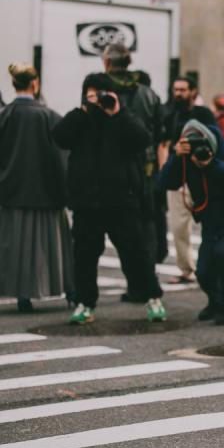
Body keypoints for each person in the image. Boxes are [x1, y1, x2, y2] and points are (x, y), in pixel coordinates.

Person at [53, 73, 166, 324]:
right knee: (84, 255)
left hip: (121, 201)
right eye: (91, 94)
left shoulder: (122, 118)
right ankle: (85, 304)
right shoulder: (79, 120)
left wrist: (117, 112)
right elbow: (59, 137)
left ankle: (153, 298)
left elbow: (142, 139)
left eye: (101, 94)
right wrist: (82, 111)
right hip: (86, 202)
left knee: (135, 253)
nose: (97, 100)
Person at [160, 120, 224, 325]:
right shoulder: (186, 158)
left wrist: (212, 164)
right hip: (213, 222)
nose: (199, 150)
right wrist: (175, 156)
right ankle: (217, 303)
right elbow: (165, 182)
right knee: (204, 270)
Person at [0, 63, 74, 313]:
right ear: (35, 84)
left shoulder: (4, 116)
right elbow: (62, 157)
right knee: (53, 247)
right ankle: (70, 291)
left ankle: (22, 295)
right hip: (47, 193)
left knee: (15, 246)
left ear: (14, 85)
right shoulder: (50, 117)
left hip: (11, 193)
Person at [102, 43, 168, 287]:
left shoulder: (102, 91)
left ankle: (136, 282)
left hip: (113, 169)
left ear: (107, 63)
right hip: (146, 168)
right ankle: (147, 276)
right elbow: (161, 131)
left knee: (117, 225)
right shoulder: (148, 93)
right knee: (147, 223)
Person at [161, 76, 216, 285]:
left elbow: (214, 140)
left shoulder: (204, 114)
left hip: (201, 175)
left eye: (183, 90)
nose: (178, 94)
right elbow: (164, 143)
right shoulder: (170, 114)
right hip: (178, 177)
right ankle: (186, 269)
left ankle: (209, 266)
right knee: (177, 226)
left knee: (209, 224)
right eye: (176, 89)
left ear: (193, 91)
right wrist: (164, 168)